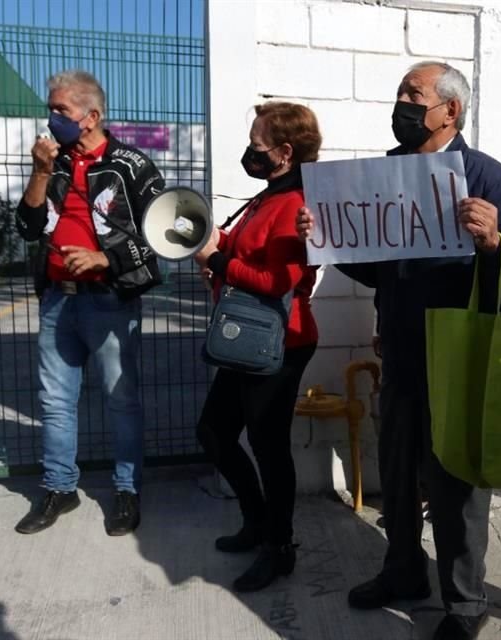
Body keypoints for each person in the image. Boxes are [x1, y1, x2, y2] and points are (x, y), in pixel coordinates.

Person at [297, 61, 501, 640]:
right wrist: (325, 236)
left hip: (458, 356)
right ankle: (402, 571)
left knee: (455, 482)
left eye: (414, 93)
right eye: (400, 93)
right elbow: (380, 266)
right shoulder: (388, 171)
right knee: (398, 474)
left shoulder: (484, 175)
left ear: (450, 109)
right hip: (401, 350)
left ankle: (463, 602)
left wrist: (491, 241)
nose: (401, 102)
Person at [14, 70, 164, 536]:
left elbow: (164, 234)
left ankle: (126, 490)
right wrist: (41, 171)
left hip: (109, 301)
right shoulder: (53, 163)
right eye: (51, 108)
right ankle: (60, 488)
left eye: (61, 110)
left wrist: (104, 256)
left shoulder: (131, 165)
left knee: (121, 402)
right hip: (59, 299)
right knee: (56, 402)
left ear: (92, 116)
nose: (51, 118)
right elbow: (27, 226)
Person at [193, 101, 321, 593]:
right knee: (215, 433)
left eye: (257, 145)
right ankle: (257, 522)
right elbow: (244, 251)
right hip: (251, 339)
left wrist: (220, 262)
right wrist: (216, 245)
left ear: (285, 153)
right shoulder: (267, 198)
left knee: (269, 448)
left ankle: (279, 546)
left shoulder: (295, 205)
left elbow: (276, 280)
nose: (250, 152)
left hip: (281, 342)